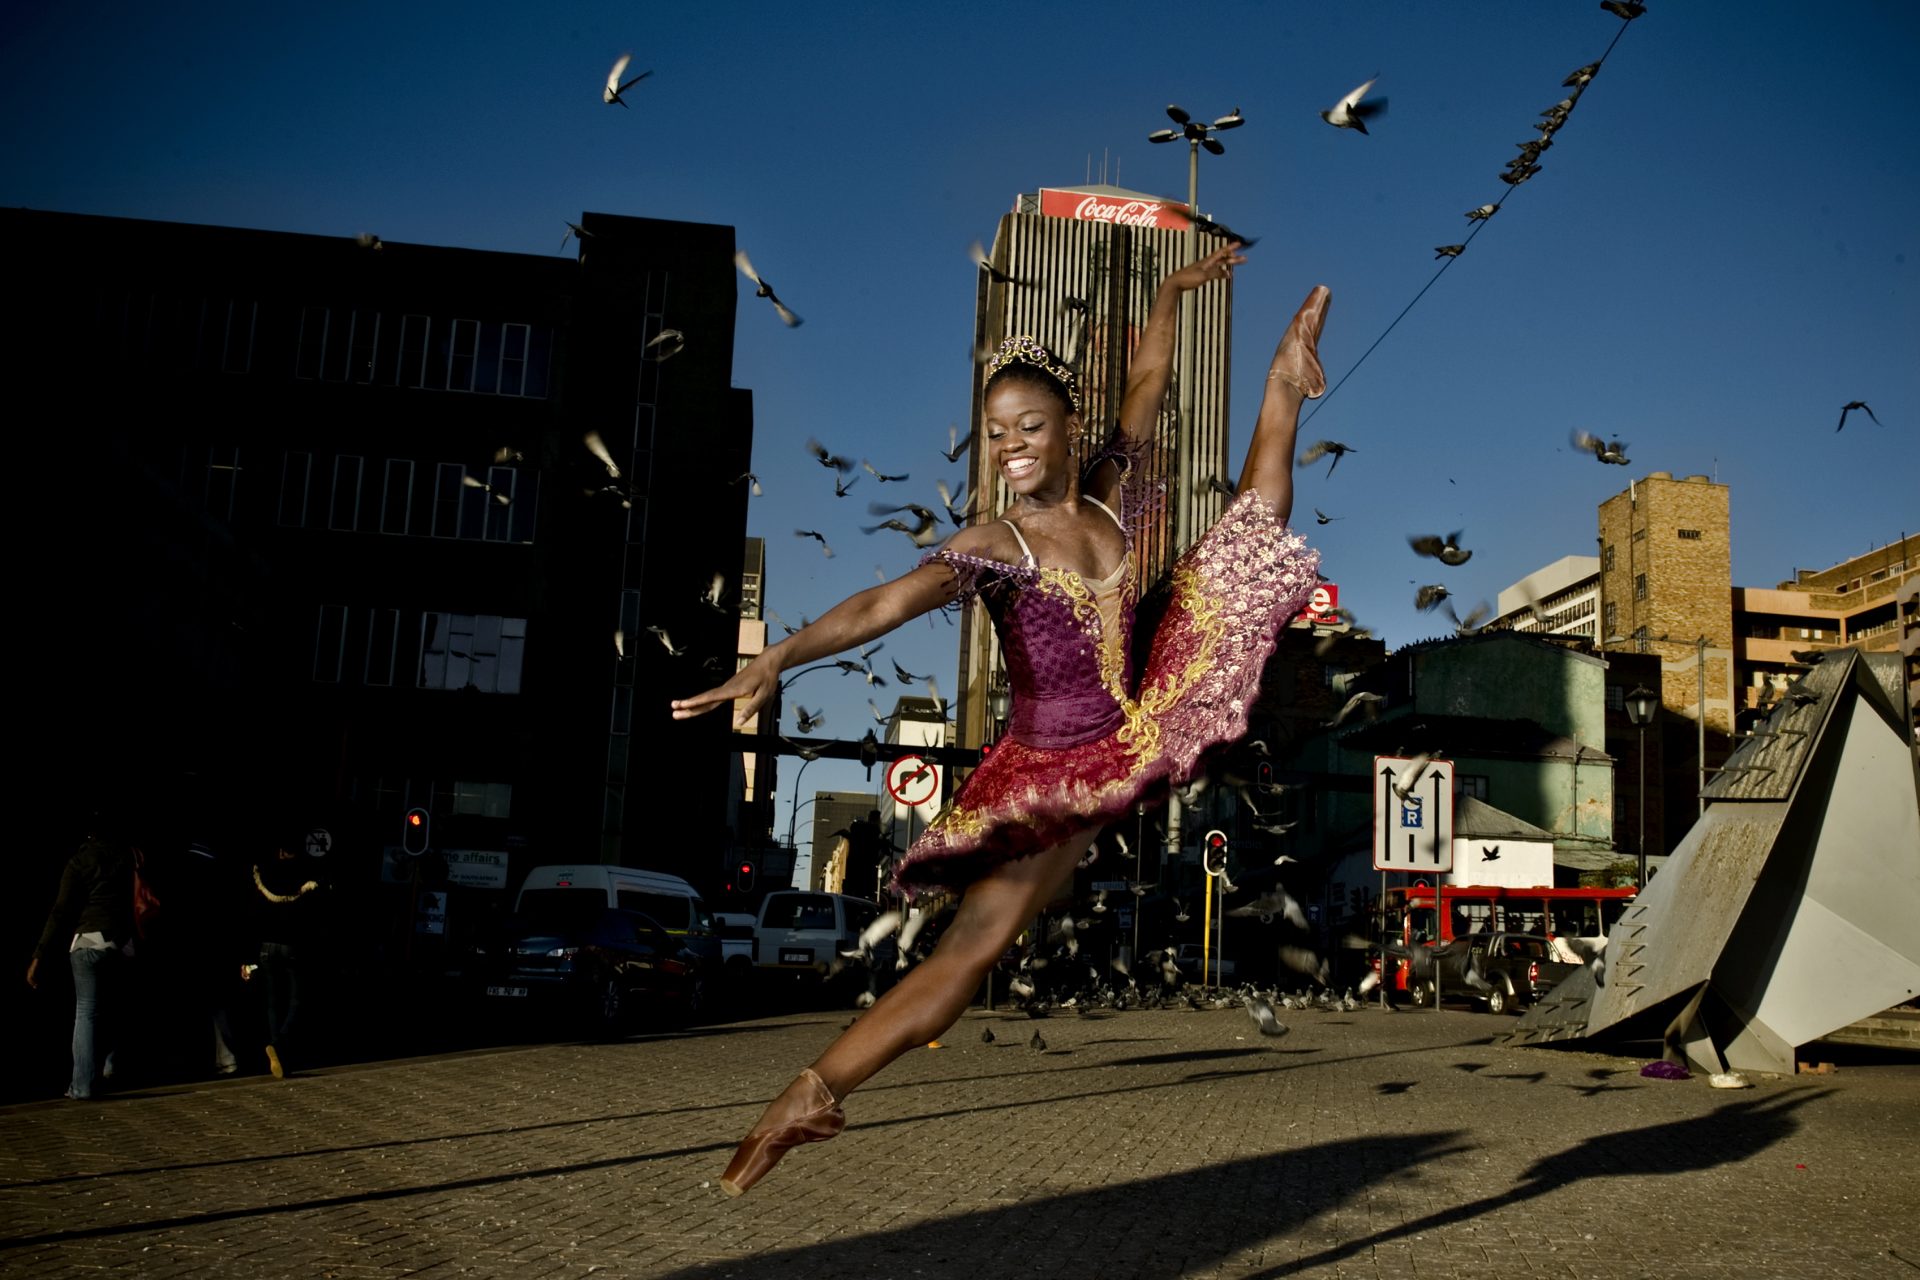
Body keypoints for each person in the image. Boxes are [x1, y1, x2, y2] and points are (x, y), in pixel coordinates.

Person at [672, 243, 1330, 1196]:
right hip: (1055, 766)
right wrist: (776, 656)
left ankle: (1283, 384)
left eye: (1029, 425)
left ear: (1069, 431)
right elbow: (881, 606)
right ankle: (807, 1094)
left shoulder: (1110, 497)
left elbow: (1147, 378)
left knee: (1246, 535)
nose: (1010, 445)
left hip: (1132, 718)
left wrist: (1175, 293)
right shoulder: (996, 545)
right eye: (994, 431)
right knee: (975, 949)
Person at [27, 817, 135, 1100]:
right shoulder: (125, 858)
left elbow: (60, 910)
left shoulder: (79, 861)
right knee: (113, 1009)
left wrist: (39, 954)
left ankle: (82, 1085)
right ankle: (110, 1067)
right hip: (120, 943)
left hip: (88, 942)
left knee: (86, 1012)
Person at [246, 842, 329, 1078]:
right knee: (296, 1000)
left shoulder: (263, 873)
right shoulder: (306, 876)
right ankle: (279, 1045)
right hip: (292, 945)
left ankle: (275, 1048)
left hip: (265, 946)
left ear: (280, 851)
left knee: (272, 1001)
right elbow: (315, 919)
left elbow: (253, 915)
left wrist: (249, 955)